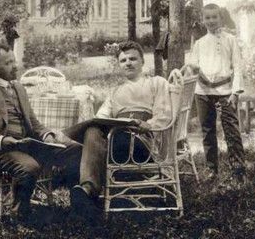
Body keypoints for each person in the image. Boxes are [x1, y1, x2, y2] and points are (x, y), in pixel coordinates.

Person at [0, 43, 81, 221]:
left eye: (14, 61)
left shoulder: (18, 87)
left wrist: (46, 135)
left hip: (28, 144)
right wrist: (2, 140)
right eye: (9, 63)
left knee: (75, 149)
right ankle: (19, 214)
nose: (16, 66)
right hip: (0, 150)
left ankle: (78, 206)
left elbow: (33, 122)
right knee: (29, 167)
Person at [63, 40, 173, 218]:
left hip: (143, 143)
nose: (128, 63)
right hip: (119, 140)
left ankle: (64, 139)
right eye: (123, 60)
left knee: (88, 138)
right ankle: (87, 190)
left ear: (142, 62)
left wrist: (149, 124)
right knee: (92, 130)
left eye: (133, 59)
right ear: (119, 65)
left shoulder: (156, 82)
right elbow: (102, 117)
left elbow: (165, 113)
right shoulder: (116, 91)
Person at [187, 3, 245, 182]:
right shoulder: (199, 43)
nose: (211, 21)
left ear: (220, 18)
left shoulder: (230, 40)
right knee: (207, 131)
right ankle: (213, 171)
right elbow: (192, 66)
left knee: (231, 130)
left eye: (214, 17)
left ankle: (238, 171)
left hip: (225, 92)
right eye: (207, 18)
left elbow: (238, 66)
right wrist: (193, 68)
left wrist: (235, 93)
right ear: (203, 20)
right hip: (203, 92)